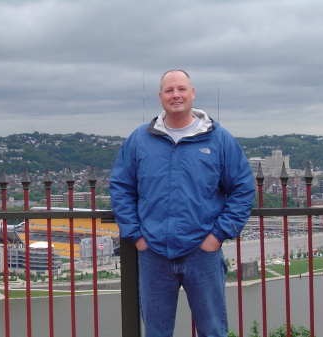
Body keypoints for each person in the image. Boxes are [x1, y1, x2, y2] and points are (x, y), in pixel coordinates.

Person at [109, 70, 255, 337]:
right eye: (169, 90)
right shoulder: (139, 140)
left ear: (192, 93)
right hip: (153, 254)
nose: (176, 95)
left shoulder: (219, 139)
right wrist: (137, 237)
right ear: (160, 97)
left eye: (181, 89)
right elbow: (121, 188)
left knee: (212, 331)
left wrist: (217, 236)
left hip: (203, 253)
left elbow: (243, 189)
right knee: (157, 332)